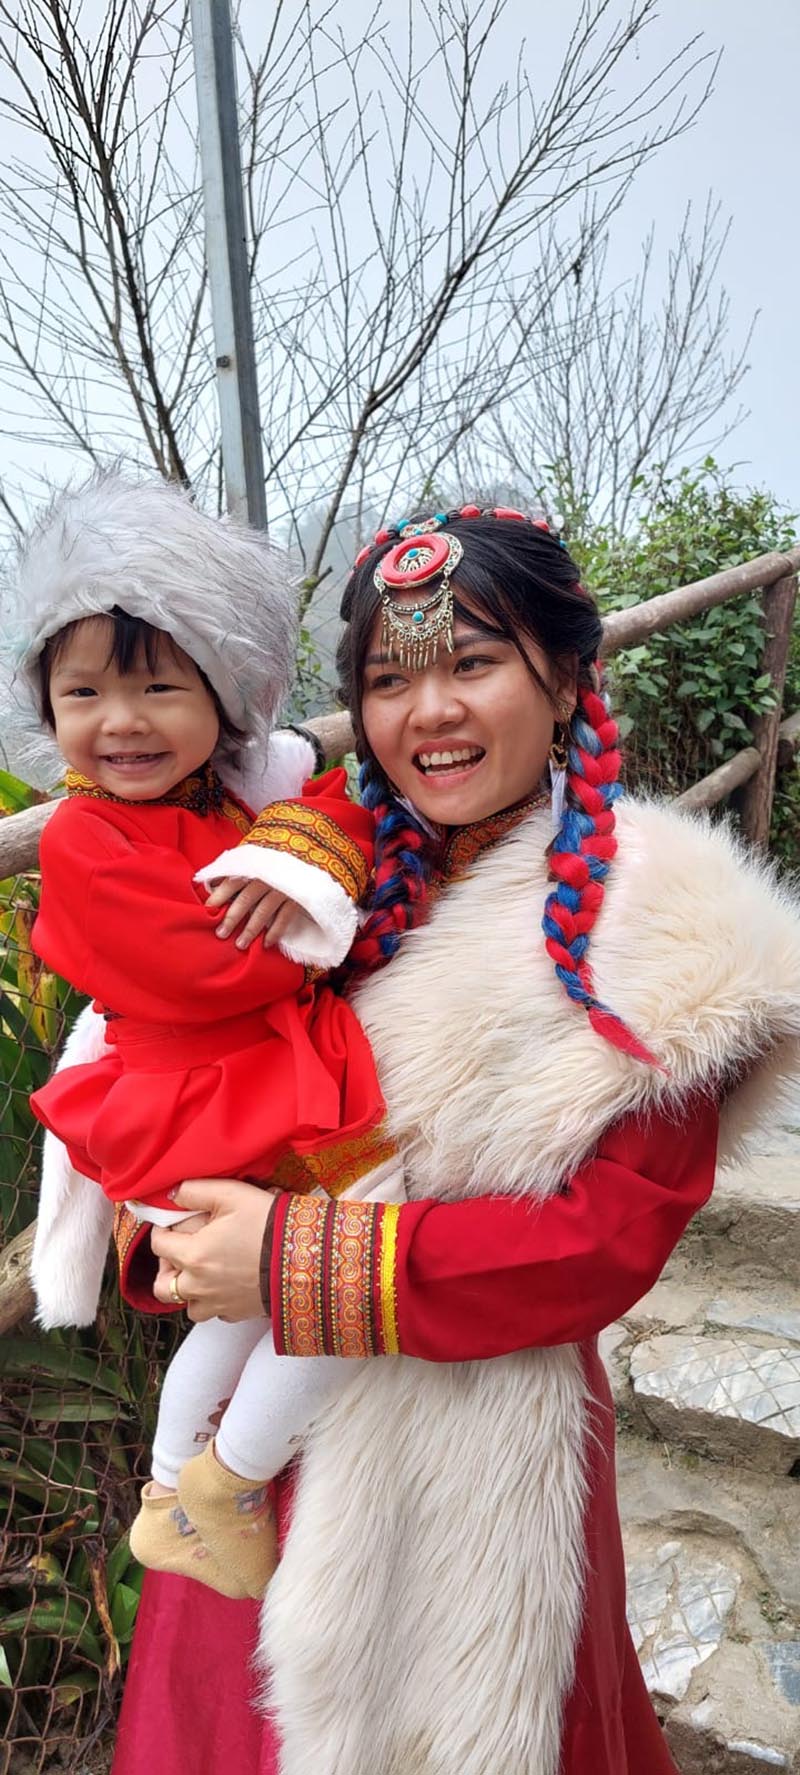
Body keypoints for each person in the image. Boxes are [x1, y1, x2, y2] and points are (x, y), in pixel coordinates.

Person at [98, 503, 799, 1775]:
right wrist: (176, 1231)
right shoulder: (306, 884)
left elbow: (602, 1241)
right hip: (256, 1466)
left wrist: (294, 1262)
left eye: (471, 662)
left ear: (567, 676)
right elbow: (182, 1084)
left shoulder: (666, 927)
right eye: (386, 679)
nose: (428, 711)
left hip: (472, 1456)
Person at [16, 471, 405, 1605]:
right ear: (47, 708)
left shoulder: (232, 795)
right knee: (356, 1264)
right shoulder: (86, 837)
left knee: (258, 1300)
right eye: (83, 691)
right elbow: (208, 964)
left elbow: (331, 804)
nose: (121, 720)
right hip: (205, 1097)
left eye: (157, 686)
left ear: (222, 694)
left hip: (249, 1078)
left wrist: (302, 853)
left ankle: (167, 1490)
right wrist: (306, 914)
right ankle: (227, 1479)